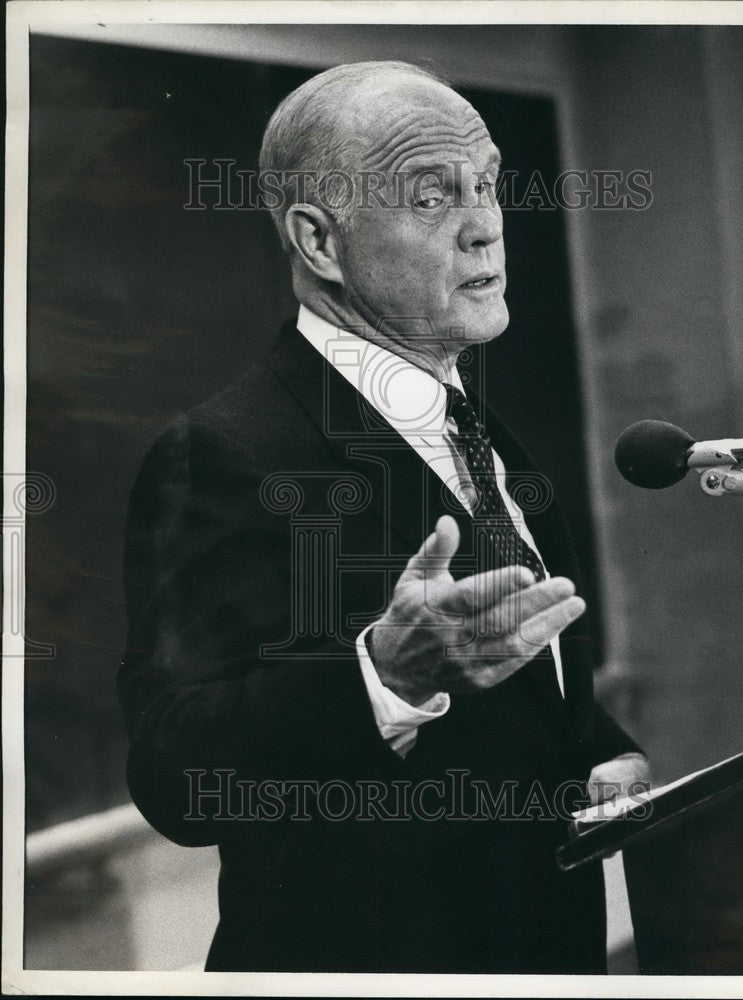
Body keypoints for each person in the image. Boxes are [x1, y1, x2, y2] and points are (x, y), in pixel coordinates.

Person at [119, 60, 649, 974]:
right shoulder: (218, 451)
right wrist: (380, 676)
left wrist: (606, 755)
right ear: (320, 242)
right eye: (433, 195)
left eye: (485, 183)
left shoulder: (480, 433)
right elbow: (174, 772)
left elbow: (518, 688)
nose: (485, 225)